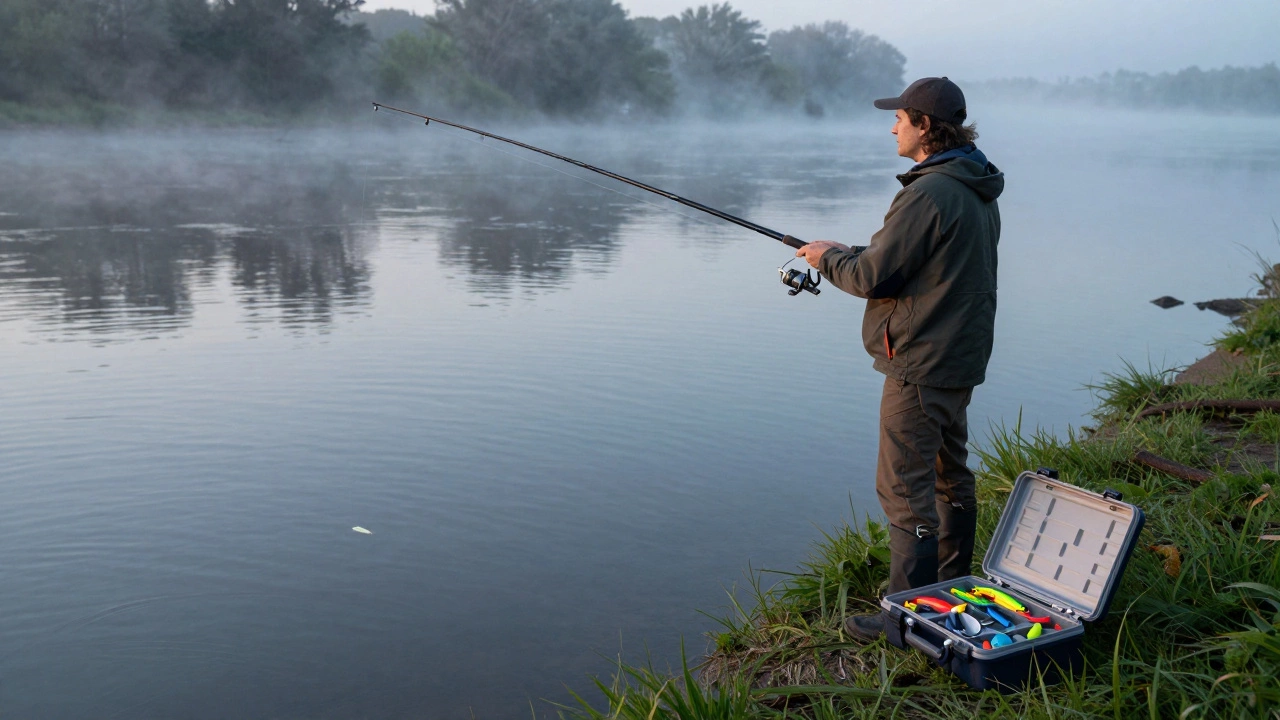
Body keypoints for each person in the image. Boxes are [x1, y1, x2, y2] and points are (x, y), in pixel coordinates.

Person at [794, 77, 1004, 639]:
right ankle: (952, 588)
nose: (892, 128)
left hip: (921, 361)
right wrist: (847, 251)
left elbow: (871, 278)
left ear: (925, 126)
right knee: (949, 475)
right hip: (958, 355)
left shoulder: (929, 192)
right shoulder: (973, 184)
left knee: (904, 488)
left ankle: (905, 617)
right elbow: (924, 264)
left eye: (900, 118)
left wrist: (827, 260)